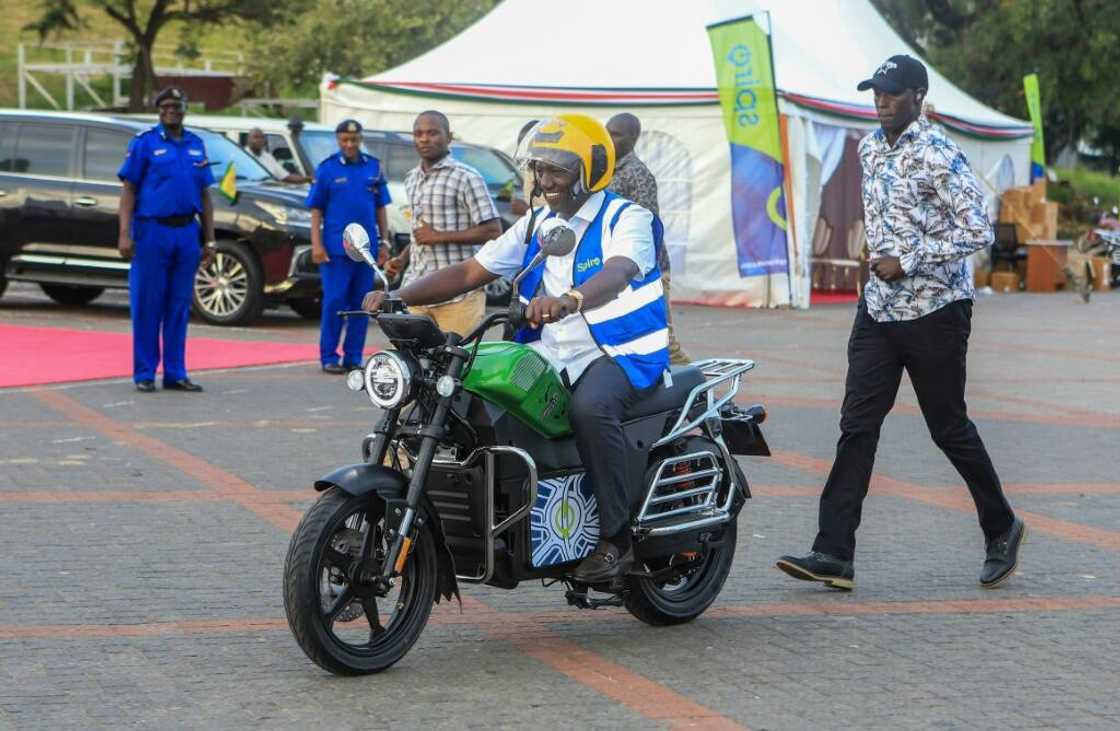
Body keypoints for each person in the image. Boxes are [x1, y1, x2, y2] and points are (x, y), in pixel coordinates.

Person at [364, 114, 669, 583]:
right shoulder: (537, 224)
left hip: (619, 351)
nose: (545, 181)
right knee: (471, 397)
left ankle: (616, 539)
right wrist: (399, 295)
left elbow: (621, 271)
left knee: (590, 410)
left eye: (558, 171)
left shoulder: (626, 218)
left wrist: (570, 300)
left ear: (590, 171)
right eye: (539, 169)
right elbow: (470, 272)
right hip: (554, 351)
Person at [776, 55, 1024, 591]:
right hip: (879, 312)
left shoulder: (939, 153)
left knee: (948, 428)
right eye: (875, 94)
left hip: (936, 312)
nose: (881, 102)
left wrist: (908, 258)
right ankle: (833, 553)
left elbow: (978, 228)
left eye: (891, 94)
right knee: (856, 427)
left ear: (919, 96)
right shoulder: (868, 148)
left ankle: (1002, 526)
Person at [117, 86, 215, 393]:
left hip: (186, 232)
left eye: (176, 105)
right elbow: (129, 190)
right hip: (151, 231)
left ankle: (175, 372)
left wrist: (209, 240)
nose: (171, 110)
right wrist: (124, 233)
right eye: (165, 106)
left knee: (179, 305)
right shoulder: (145, 143)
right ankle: (145, 373)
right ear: (159, 111)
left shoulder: (197, 144)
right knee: (148, 304)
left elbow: (205, 195)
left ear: (185, 109)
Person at [383, 111, 501, 336]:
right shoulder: (411, 178)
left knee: (457, 364)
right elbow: (421, 234)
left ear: (449, 137)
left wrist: (438, 236)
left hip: (459, 294)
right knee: (410, 364)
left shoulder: (467, 177)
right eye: (418, 134)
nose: (424, 139)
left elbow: (493, 230)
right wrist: (402, 259)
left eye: (432, 133)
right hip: (417, 288)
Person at [306, 119, 391, 374]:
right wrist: (316, 244)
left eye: (354, 139)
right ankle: (329, 356)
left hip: (366, 251)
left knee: (361, 304)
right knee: (334, 302)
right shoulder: (327, 169)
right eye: (345, 140)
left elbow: (381, 209)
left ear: (360, 139)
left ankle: (353, 356)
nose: (350, 144)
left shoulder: (373, 168)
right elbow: (316, 210)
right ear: (338, 140)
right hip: (335, 250)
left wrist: (384, 242)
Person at [606, 113, 690, 365]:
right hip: (620, 266)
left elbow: (648, 225)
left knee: (665, 339)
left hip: (647, 269)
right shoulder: (607, 169)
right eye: (607, 132)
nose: (609, 138)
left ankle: (698, 390)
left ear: (633, 139)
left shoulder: (638, 173)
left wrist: (643, 270)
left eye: (617, 134)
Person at [244, 127, 308, 183]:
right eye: (256, 137)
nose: (259, 140)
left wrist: (307, 179)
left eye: (262, 137)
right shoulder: (243, 156)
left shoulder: (268, 157)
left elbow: (285, 176)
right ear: (248, 139)